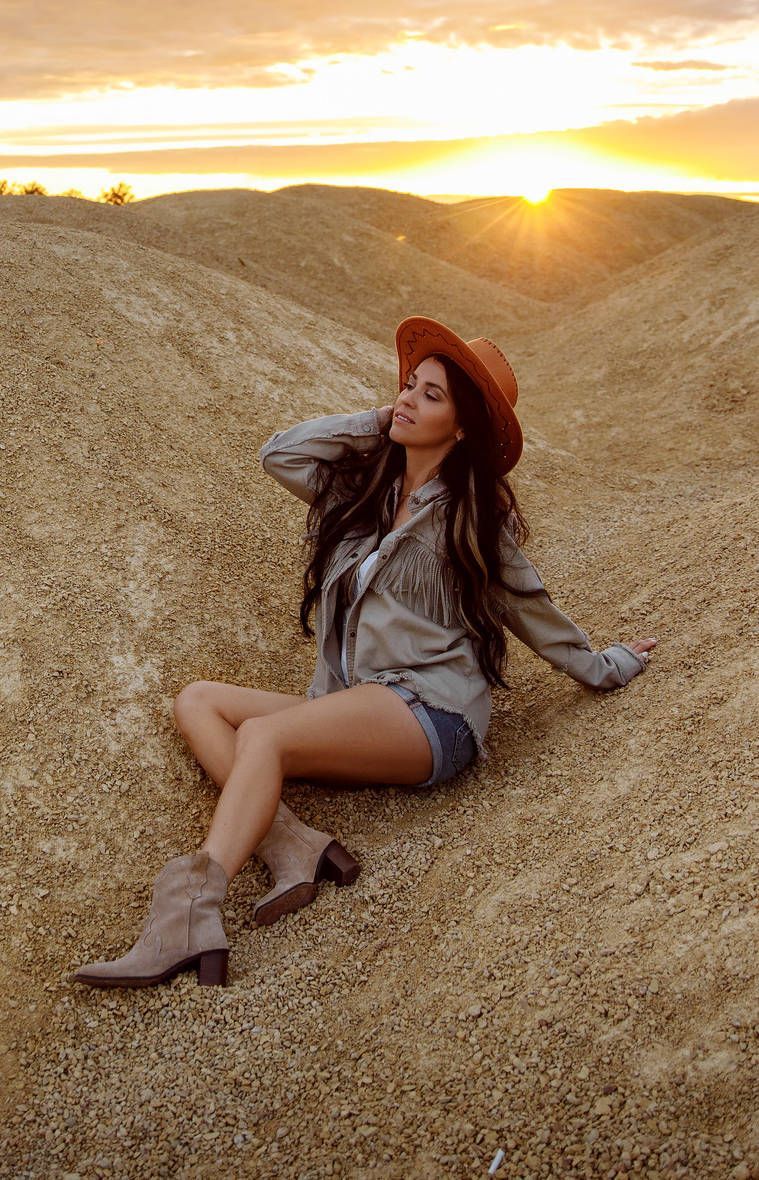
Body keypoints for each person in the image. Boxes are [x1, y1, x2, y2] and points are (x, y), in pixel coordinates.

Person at [71, 316, 659, 989]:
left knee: (263, 735)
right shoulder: (363, 492)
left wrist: (608, 664)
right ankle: (292, 843)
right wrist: (384, 417)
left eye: (431, 395)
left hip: (429, 713)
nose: (408, 398)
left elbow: (535, 612)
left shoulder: (471, 519)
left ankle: (188, 916)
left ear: (463, 427)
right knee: (198, 701)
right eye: (409, 385)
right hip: (353, 703)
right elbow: (279, 455)